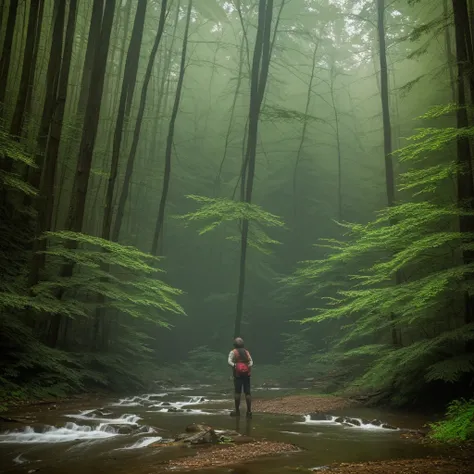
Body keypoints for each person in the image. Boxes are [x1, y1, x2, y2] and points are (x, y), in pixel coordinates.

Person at [228, 337, 253, 418]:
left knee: (237, 392)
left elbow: (229, 361)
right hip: (247, 374)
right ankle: (249, 412)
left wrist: (235, 366)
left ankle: (237, 411)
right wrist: (246, 367)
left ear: (235, 344)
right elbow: (251, 362)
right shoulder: (246, 352)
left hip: (237, 374)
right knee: (247, 393)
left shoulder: (233, 352)